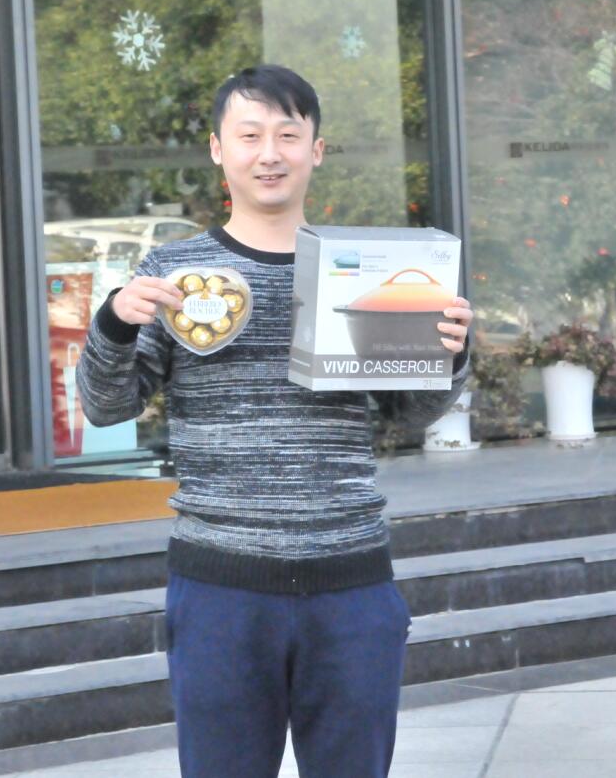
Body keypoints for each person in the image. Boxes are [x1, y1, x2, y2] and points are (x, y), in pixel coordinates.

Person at [79, 65, 472, 778]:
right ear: (217, 149)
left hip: (350, 580)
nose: (269, 153)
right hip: (220, 586)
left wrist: (450, 352)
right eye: (249, 135)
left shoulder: (365, 272)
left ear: (315, 150)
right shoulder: (174, 270)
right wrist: (112, 324)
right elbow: (108, 406)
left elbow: (410, 413)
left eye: (288, 135)